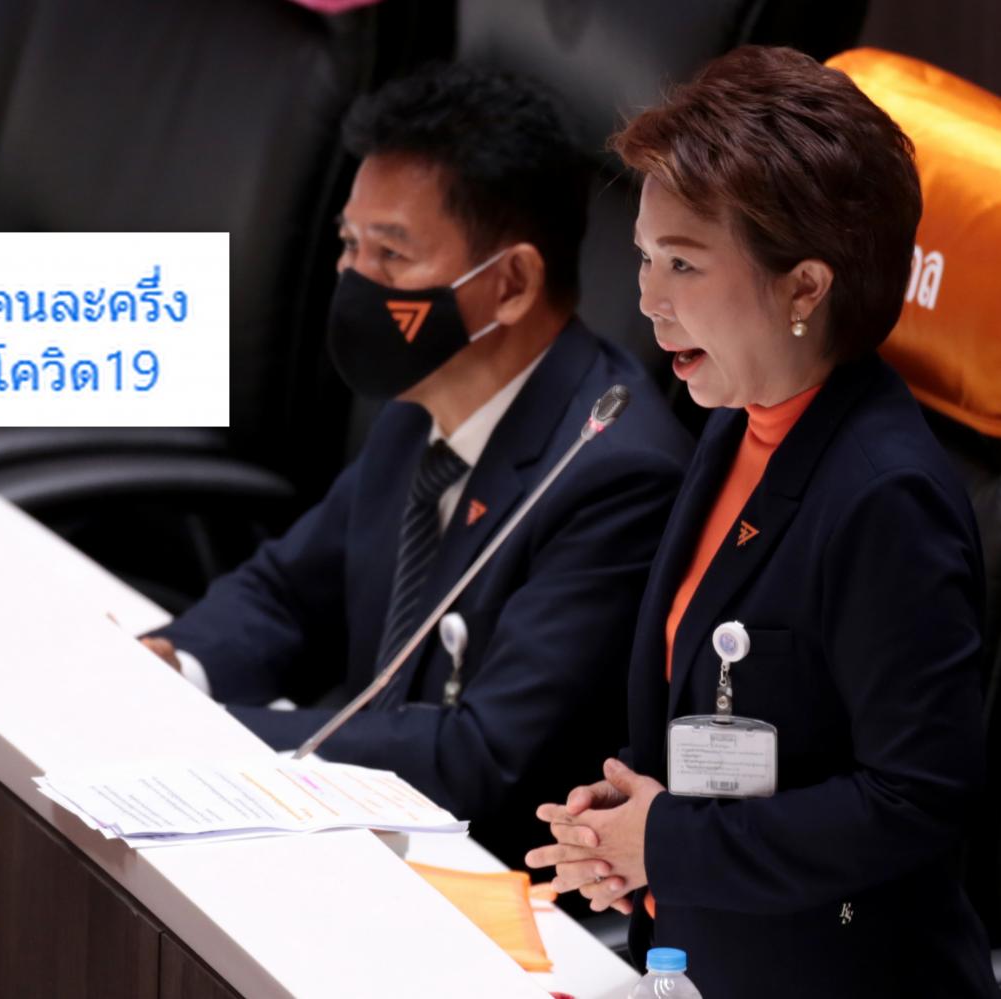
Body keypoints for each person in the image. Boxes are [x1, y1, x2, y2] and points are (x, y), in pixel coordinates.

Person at [525, 46, 998, 996]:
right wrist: (631, 818)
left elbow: (913, 800)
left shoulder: (884, 497)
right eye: (645, 257)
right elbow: (746, 719)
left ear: (805, 288)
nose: (649, 300)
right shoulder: (739, 422)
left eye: (684, 264)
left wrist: (668, 840)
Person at [142, 63, 694, 871]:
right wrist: (174, 665)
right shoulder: (421, 401)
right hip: (352, 839)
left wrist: (208, 731)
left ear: (510, 283)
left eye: (391, 254)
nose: (353, 281)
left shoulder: (615, 473)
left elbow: (484, 757)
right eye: (349, 245)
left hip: (485, 887)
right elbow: (289, 591)